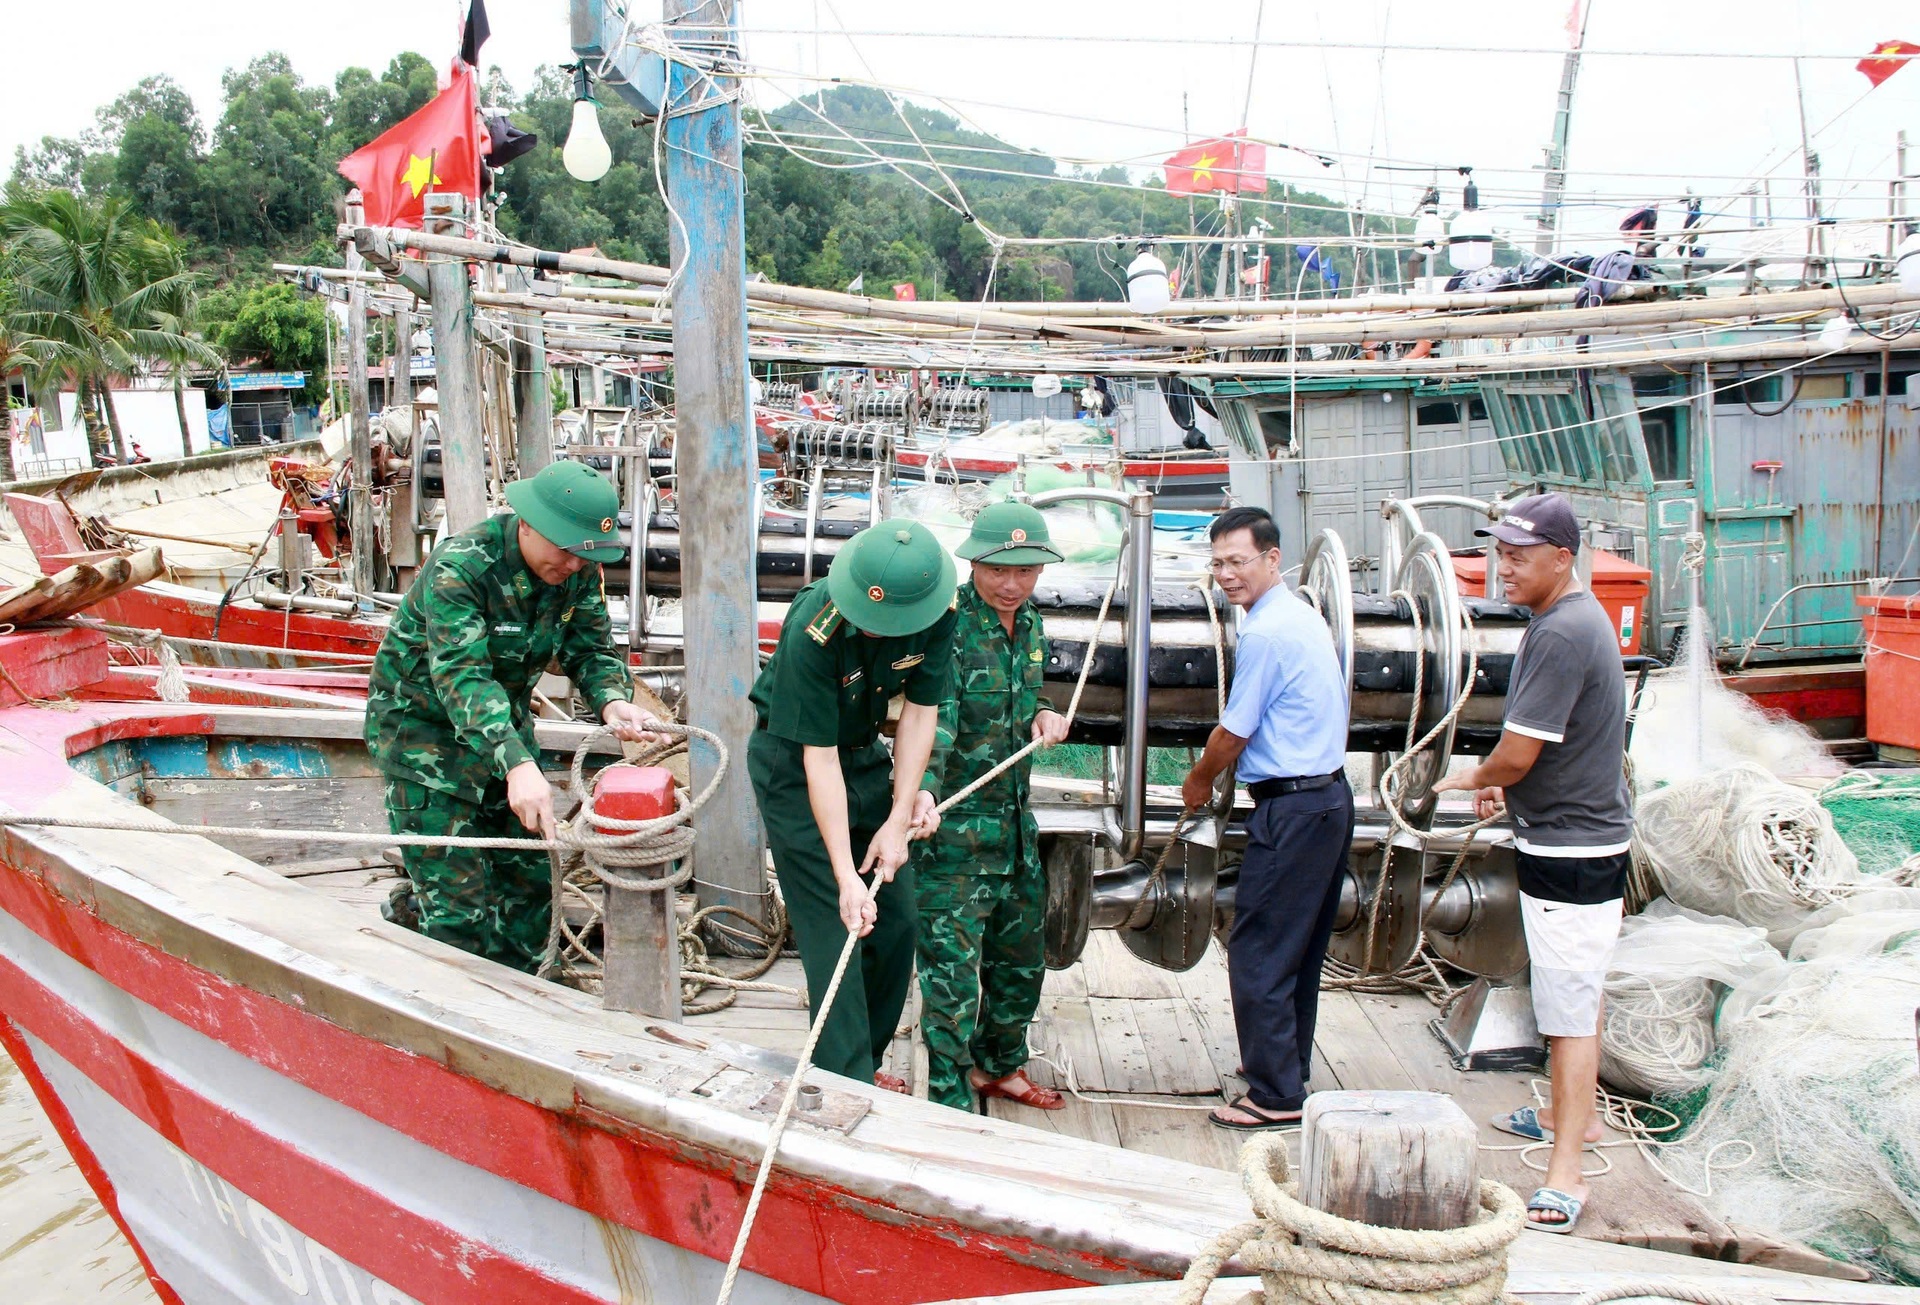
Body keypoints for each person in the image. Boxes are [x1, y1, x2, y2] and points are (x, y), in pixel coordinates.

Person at [365, 461, 659, 973]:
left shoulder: (578, 570)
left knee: (529, 887)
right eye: (565, 549)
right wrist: (519, 766)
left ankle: (537, 989)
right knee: (459, 916)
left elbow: (590, 648)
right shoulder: (461, 569)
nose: (573, 564)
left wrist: (611, 699)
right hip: (424, 743)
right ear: (526, 523)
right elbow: (463, 678)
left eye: (584, 553)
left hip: (505, 735)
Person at [1433, 492, 1632, 1236]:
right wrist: (1510, 793)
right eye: (1500, 552)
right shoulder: (1576, 622)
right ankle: (1568, 1117)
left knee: (1568, 1012)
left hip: (1571, 854)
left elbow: (1517, 754)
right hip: (1582, 838)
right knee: (1578, 991)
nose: (1503, 567)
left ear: (1562, 558)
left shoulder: (1557, 635)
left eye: (1519, 556)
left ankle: (1566, 1172)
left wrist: (1472, 777)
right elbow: (1561, 749)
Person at [748, 520, 958, 1092]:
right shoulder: (814, 630)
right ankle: (844, 1080)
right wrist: (844, 873)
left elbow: (920, 713)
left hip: (864, 755)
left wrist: (899, 814)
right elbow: (817, 760)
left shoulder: (939, 611)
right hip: (793, 766)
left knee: (897, 923)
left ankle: (867, 1054)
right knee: (834, 924)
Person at [1179, 506, 1353, 1130]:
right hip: (1329, 801)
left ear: (1273, 559)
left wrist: (1197, 781)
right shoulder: (1303, 617)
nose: (1226, 575)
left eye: (1239, 561)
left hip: (1294, 808)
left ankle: (1274, 1097)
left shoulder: (1265, 633)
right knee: (1299, 951)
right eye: (1218, 563)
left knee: (1258, 950)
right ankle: (1288, 1072)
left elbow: (1233, 733)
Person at [914, 502, 1072, 1112]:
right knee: (950, 980)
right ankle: (949, 1099)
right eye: (998, 570)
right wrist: (922, 790)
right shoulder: (946, 626)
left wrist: (1043, 714)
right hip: (952, 833)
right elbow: (934, 722)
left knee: (1020, 963)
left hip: (1012, 830)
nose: (1012, 585)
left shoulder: (1030, 625)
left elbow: (1024, 697)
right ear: (974, 562)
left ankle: (1000, 1067)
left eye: (1027, 571)